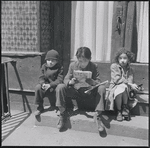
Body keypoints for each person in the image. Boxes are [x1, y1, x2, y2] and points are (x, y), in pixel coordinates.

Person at [58, 47, 107, 132]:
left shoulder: (93, 66)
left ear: (90, 59)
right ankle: (62, 113)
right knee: (60, 87)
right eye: (80, 61)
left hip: (89, 92)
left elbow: (98, 82)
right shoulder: (73, 65)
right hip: (76, 92)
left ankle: (98, 115)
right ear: (77, 59)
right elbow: (65, 79)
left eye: (85, 61)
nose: (82, 64)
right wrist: (70, 82)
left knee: (102, 88)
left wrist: (92, 82)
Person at [34, 49, 66, 129]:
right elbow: (41, 77)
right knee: (38, 87)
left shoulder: (60, 67)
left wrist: (51, 85)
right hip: (46, 87)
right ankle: (40, 107)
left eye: (53, 60)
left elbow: (60, 79)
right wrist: (43, 83)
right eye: (48, 60)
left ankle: (60, 108)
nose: (50, 62)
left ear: (57, 61)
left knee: (60, 87)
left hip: (55, 87)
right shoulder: (44, 67)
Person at [105, 47, 139, 121]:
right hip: (115, 86)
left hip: (126, 88)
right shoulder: (114, 66)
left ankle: (124, 108)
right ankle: (119, 110)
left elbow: (130, 80)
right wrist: (129, 84)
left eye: (125, 58)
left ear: (129, 59)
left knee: (124, 87)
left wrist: (133, 85)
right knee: (121, 87)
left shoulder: (130, 69)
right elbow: (117, 79)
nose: (122, 60)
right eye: (120, 58)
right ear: (118, 59)